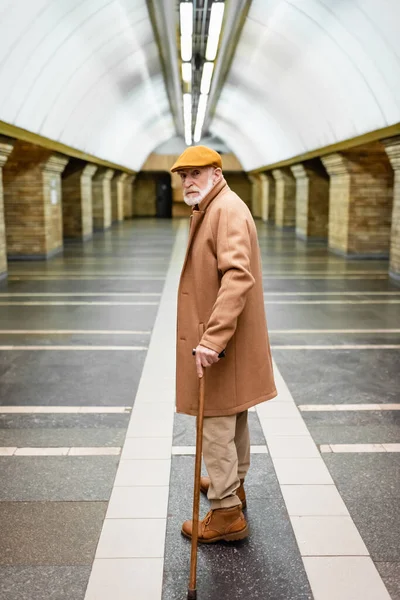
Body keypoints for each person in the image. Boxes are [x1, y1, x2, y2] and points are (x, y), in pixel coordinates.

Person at [171, 145, 277, 543]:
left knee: (214, 421)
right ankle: (232, 483)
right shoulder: (215, 206)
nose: (188, 181)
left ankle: (225, 512)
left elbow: (237, 276)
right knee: (233, 414)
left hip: (221, 342)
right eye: (183, 176)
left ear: (216, 172)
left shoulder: (225, 210)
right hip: (229, 340)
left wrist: (211, 340)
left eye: (196, 173)